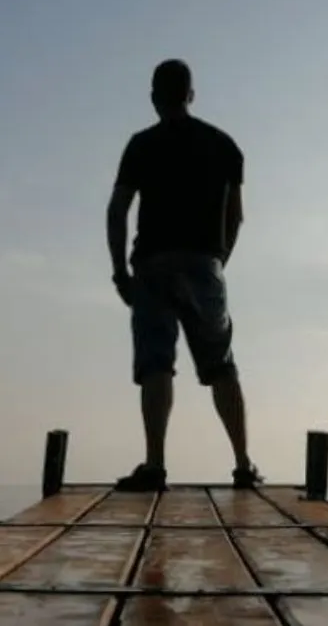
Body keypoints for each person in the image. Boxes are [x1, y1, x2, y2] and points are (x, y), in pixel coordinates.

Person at [106, 59, 262, 491]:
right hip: (203, 264)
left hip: (153, 264)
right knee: (221, 365)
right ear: (191, 95)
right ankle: (244, 465)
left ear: (155, 98)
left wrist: (120, 271)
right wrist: (216, 262)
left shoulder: (141, 145)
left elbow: (118, 209)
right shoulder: (224, 146)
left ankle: (155, 465)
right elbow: (237, 216)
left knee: (157, 363)